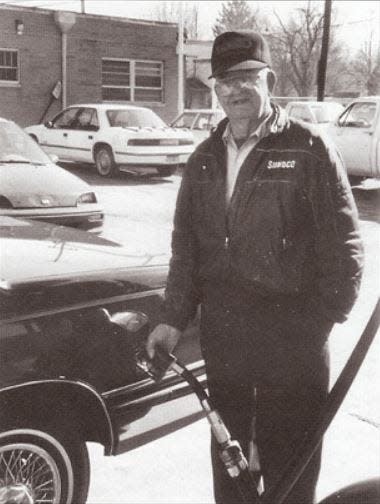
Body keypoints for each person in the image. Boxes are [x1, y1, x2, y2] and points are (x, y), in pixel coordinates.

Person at [146, 30, 364, 504]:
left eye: (246, 76)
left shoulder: (309, 148)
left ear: (269, 78)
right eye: (224, 79)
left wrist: (315, 326)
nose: (234, 89)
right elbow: (186, 249)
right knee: (231, 467)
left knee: (290, 469)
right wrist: (171, 318)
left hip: (293, 344)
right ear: (215, 87)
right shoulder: (204, 157)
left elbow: (345, 248)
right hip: (226, 342)